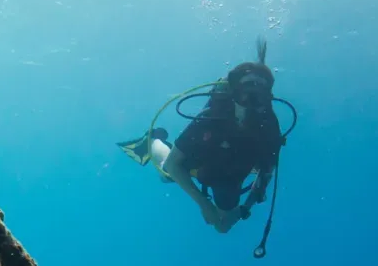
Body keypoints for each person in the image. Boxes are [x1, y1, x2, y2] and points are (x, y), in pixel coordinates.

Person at [117, 39, 284, 234]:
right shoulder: (212, 118)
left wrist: (244, 209)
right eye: (246, 92)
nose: (251, 100)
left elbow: (266, 173)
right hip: (200, 161)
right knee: (167, 173)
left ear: (267, 97)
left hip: (230, 178)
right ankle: (153, 141)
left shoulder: (269, 128)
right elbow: (173, 163)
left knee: (223, 226)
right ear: (234, 92)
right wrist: (204, 204)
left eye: (259, 93)